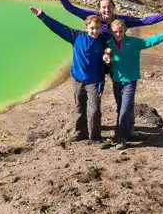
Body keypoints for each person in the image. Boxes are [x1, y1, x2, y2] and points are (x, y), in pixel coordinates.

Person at [30, 9, 110, 142]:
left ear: (100, 28)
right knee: (79, 107)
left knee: (94, 109)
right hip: (78, 80)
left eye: (97, 28)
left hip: (94, 82)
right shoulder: (76, 36)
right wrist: (42, 16)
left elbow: (106, 62)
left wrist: (107, 63)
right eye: (92, 28)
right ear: (86, 27)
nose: (94, 31)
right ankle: (81, 132)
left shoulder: (102, 42)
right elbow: (59, 28)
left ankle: (95, 137)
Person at [106, 18, 163, 147]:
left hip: (130, 81)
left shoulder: (134, 42)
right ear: (111, 31)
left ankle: (120, 137)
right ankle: (130, 132)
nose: (118, 34)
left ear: (125, 30)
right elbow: (104, 59)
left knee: (125, 109)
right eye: (115, 31)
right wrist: (106, 60)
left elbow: (151, 41)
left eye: (121, 31)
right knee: (123, 108)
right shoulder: (109, 44)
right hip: (116, 81)